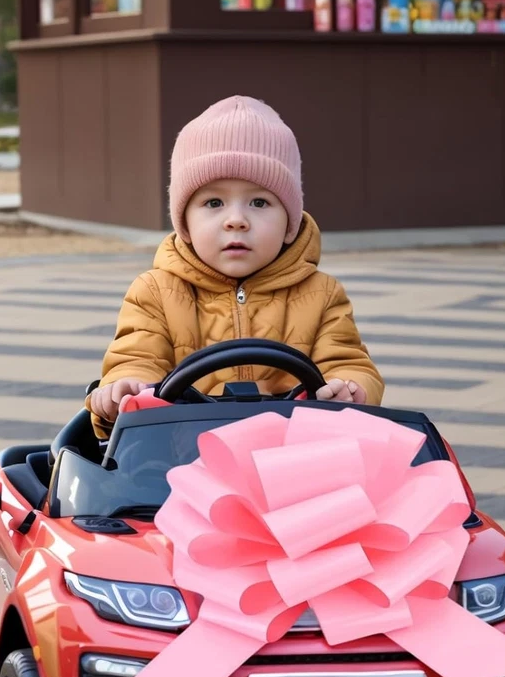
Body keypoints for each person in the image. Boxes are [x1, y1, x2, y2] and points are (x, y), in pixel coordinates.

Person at [87, 95, 384, 433]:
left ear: (290, 223)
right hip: (180, 456)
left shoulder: (322, 293)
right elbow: (137, 356)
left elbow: (347, 361)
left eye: (259, 202)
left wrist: (349, 389)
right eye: (214, 202)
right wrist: (125, 387)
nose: (237, 220)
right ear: (184, 223)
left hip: (295, 455)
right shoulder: (155, 292)